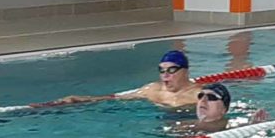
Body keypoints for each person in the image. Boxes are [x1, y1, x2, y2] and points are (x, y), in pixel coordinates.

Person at [52, 50, 197, 107]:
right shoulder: (152, 89)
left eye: (172, 70)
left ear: (185, 71)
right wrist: (82, 99)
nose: (165, 75)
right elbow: (118, 98)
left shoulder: (197, 95)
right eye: (162, 70)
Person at [191, 81, 265, 127]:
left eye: (211, 97)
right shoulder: (187, 125)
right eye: (200, 96)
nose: (203, 100)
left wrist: (253, 126)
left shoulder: (232, 128)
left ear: (224, 109)